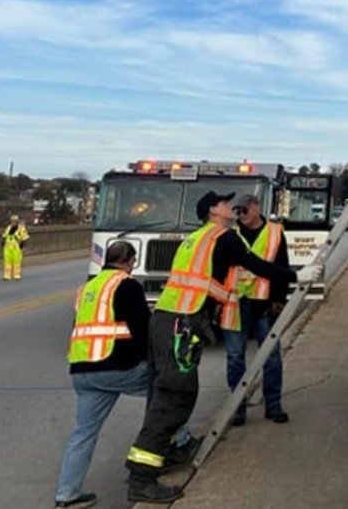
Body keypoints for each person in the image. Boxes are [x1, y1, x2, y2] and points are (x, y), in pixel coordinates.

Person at [124, 190, 318, 504]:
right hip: (181, 322)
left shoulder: (198, 237)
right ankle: (141, 477)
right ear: (214, 210)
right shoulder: (223, 237)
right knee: (174, 395)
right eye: (227, 203)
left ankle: (169, 452)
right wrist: (298, 275)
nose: (232, 207)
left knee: (168, 392)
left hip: (167, 319)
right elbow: (255, 264)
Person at [53, 241, 150, 509]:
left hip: (83, 371)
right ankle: (176, 443)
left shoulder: (88, 288)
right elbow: (142, 329)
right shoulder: (127, 285)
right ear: (129, 260)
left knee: (83, 433)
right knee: (165, 392)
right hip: (117, 367)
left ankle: (66, 495)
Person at [225, 194, 294, 426]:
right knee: (235, 358)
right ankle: (238, 408)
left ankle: (273, 405)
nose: (240, 215)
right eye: (237, 211)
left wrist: (279, 300)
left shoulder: (275, 232)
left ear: (256, 208)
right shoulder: (230, 233)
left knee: (271, 356)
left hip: (264, 304)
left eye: (244, 210)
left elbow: (281, 266)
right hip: (235, 303)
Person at [2, 213, 29, 280]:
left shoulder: (21, 228)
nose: (13, 222)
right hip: (7, 247)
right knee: (7, 262)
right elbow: (5, 235)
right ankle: (7, 276)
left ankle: (16, 275)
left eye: (14, 221)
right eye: (12, 220)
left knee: (16, 262)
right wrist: (3, 241)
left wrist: (22, 245)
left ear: (17, 221)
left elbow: (24, 237)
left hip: (16, 247)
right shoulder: (8, 227)